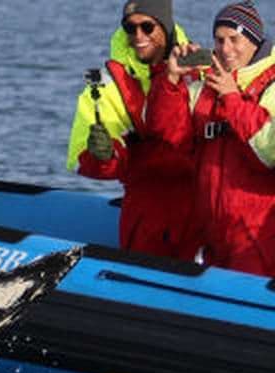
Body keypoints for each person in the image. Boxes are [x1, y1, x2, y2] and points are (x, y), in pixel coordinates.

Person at [147, 1, 275, 277]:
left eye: (234, 40)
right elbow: (169, 133)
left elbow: (269, 152)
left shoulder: (271, 86)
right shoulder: (207, 82)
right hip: (213, 233)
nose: (226, 49)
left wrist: (232, 98)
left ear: (254, 42)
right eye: (219, 40)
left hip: (258, 238)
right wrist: (171, 81)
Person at [67, 0, 199, 260]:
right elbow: (85, 158)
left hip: (201, 211)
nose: (138, 36)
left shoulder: (200, 69)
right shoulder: (106, 86)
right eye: (130, 27)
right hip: (146, 213)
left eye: (147, 27)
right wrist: (102, 156)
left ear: (165, 26)